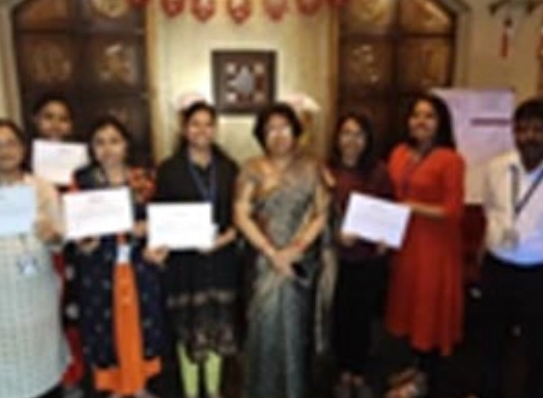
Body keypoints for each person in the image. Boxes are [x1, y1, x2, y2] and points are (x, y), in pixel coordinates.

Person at [234, 103, 330, 398]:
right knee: (262, 328)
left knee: (296, 331)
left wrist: (295, 249)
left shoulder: (312, 167)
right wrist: (272, 252)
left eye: (284, 127)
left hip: (299, 263)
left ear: (296, 131)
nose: (278, 135)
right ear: (262, 135)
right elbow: (241, 214)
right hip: (263, 261)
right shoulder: (252, 167)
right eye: (270, 129)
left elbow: (321, 214)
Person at [71, 116, 167, 398]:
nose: (108, 149)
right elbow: (74, 226)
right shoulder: (82, 180)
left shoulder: (144, 178)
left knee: (142, 322)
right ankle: (114, 385)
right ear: (91, 148)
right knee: (105, 324)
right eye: (99, 142)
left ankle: (139, 384)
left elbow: (163, 218)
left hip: (139, 263)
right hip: (99, 265)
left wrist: (149, 229)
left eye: (114, 141)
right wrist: (84, 242)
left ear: (126, 145)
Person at [480, 98, 543, 398]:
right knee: (491, 345)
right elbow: (490, 210)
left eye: (538, 130)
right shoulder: (496, 167)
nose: (529, 136)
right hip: (497, 270)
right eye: (522, 129)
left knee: (541, 351)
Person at [155, 101, 240, 398]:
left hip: (221, 257)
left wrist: (223, 240)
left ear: (215, 129)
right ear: (184, 129)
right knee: (187, 326)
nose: (202, 130)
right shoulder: (168, 169)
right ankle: (191, 391)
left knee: (218, 324)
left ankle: (213, 389)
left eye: (208, 124)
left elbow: (241, 216)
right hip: (184, 261)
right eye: (195, 124)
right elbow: (160, 214)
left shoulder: (229, 168)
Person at [385, 94, 465, 398]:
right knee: (406, 308)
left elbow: (452, 210)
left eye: (429, 116)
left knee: (427, 310)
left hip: (434, 248)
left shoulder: (451, 160)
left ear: (441, 123)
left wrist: (412, 206)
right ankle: (412, 368)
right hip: (403, 243)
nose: (421, 121)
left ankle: (425, 376)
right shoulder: (398, 153)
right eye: (416, 115)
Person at [0, 119, 68, 398]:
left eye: (10, 143)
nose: (4, 151)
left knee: (42, 366)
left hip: (38, 293)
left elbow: (61, 241)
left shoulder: (43, 188)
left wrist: (52, 234)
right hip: (1, 299)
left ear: (23, 148)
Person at [328, 112, 392, 398]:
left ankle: (360, 372)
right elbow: (317, 214)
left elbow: (389, 209)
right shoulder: (327, 171)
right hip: (337, 260)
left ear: (367, 139)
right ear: (337, 137)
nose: (351, 140)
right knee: (340, 318)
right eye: (346, 133)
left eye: (358, 134)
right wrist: (335, 234)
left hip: (369, 259)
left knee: (365, 318)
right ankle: (343, 372)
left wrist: (386, 238)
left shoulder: (379, 172)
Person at [30, 91, 86, 396]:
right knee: (47, 314)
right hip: (41, 253)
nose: (55, 125)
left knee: (75, 314)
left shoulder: (82, 165)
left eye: (63, 119)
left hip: (78, 251)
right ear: (35, 121)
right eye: (48, 117)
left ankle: (74, 376)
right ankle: (48, 375)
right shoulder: (23, 167)